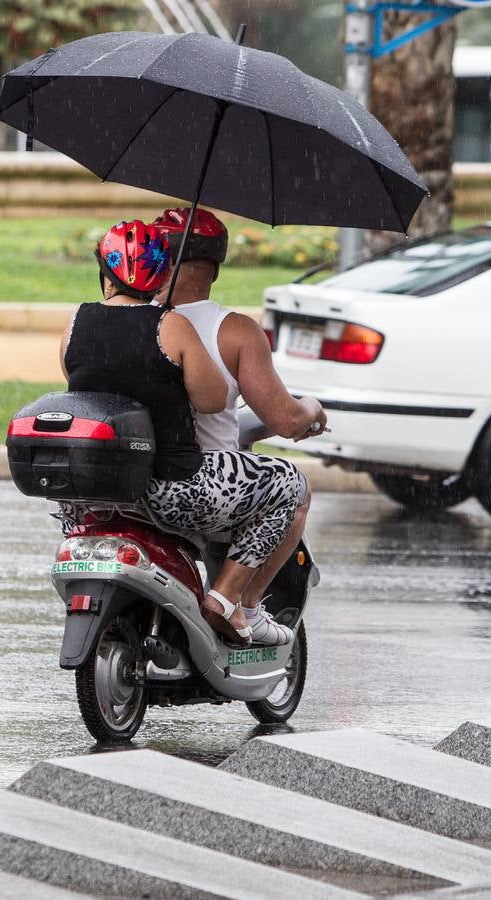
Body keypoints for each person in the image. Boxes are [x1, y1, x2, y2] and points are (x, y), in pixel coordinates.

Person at [60, 221, 309, 646]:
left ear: (104, 274)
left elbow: (75, 379)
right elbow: (212, 400)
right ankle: (231, 600)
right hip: (172, 488)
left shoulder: (76, 322)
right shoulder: (171, 326)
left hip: (96, 488)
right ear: (161, 276)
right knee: (291, 484)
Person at [150, 207, 326, 645]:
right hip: (199, 487)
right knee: (296, 490)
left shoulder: (133, 322)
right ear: (213, 267)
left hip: (136, 480)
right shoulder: (236, 332)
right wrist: (313, 408)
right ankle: (237, 602)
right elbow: (284, 420)